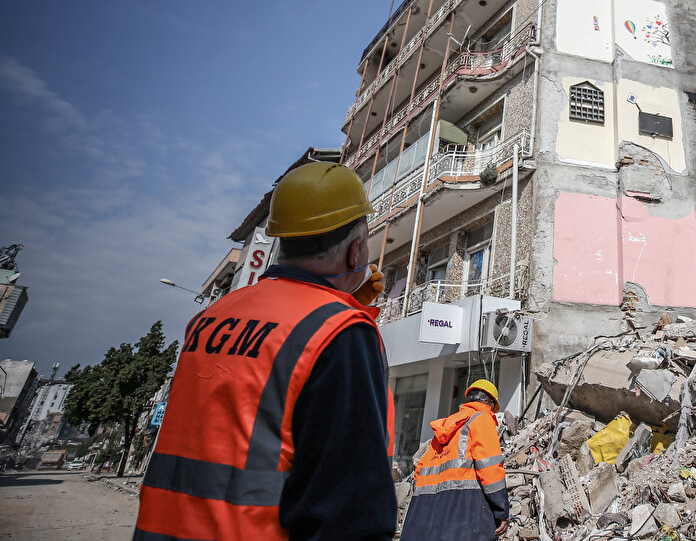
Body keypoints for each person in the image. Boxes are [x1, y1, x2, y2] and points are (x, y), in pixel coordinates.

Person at [134, 162, 396, 540]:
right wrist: (346, 312)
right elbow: (347, 507)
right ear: (356, 253)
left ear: (282, 241)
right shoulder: (339, 332)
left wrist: (343, 301)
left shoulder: (210, 317)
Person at [400, 379, 510, 540]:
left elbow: (420, 471)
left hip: (423, 512)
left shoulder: (446, 428)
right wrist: (502, 510)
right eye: (493, 407)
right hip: (465, 511)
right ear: (487, 401)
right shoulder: (482, 419)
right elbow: (490, 467)